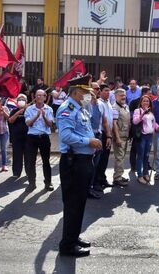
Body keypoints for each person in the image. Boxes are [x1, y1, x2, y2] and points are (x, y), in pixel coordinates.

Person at [57, 74, 102, 257]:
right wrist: (88, 142)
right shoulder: (67, 109)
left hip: (83, 162)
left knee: (80, 203)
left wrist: (92, 142)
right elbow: (66, 137)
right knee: (73, 204)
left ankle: (73, 237)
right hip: (73, 163)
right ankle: (67, 245)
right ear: (76, 93)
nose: (88, 95)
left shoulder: (81, 108)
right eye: (85, 92)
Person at [24, 89, 55, 192]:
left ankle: (48, 182)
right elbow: (28, 123)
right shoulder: (29, 109)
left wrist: (44, 116)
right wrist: (37, 115)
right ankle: (31, 183)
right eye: (37, 95)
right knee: (30, 162)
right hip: (32, 137)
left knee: (46, 161)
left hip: (44, 137)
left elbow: (50, 124)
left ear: (45, 97)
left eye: (41, 95)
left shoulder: (49, 109)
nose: (39, 97)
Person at [133, 95, 159, 184]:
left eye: (147, 101)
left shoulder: (150, 112)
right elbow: (135, 121)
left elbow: (153, 123)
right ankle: (140, 175)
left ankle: (146, 173)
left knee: (146, 155)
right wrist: (142, 114)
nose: (146, 103)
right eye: (144, 101)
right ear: (141, 102)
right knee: (140, 155)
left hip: (150, 136)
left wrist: (158, 127)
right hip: (142, 136)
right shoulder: (138, 110)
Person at [111, 89, 130, 186]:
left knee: (122, 157)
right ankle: (117, 179)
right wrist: (117, 138)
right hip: (119, 137)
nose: (123, 97)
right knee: (119, 158)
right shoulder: (114, 108)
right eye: (121, 95)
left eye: (124, 95)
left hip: (125, 136)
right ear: (116, 96)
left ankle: (119, 175)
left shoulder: (126, 106)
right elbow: (114, 124)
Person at [8, 94, 29, 177]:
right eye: (19, 99)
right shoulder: (14, 111)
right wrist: (18, 113)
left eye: (23, 99)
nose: (21, 100)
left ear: (26, 101)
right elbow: (10, 121)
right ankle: (16, 172)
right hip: (16, 138)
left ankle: (29, 172)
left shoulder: (30, 110)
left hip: (28, 137)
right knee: (17, 155)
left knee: (28, 156)